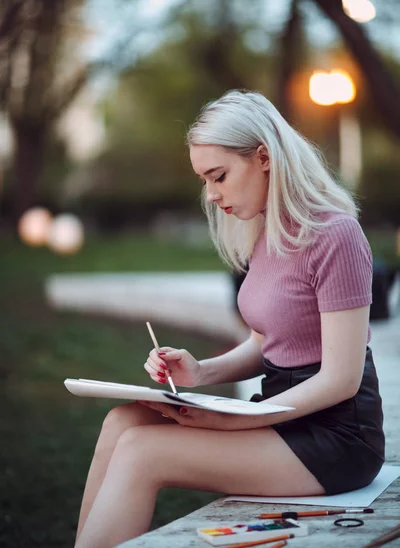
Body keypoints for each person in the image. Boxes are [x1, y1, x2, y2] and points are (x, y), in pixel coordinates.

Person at [74, 90, 385, 548]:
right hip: (280, 416)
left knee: (143, 452)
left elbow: (341, 379)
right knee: (122, 423)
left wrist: (242, 420)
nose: (212, 194)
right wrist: (201, 372)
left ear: (263, 157)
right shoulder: (266, 231)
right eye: (204, 180)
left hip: (337, 437)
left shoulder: (335, 235)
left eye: (218, 176)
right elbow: (271, 340)